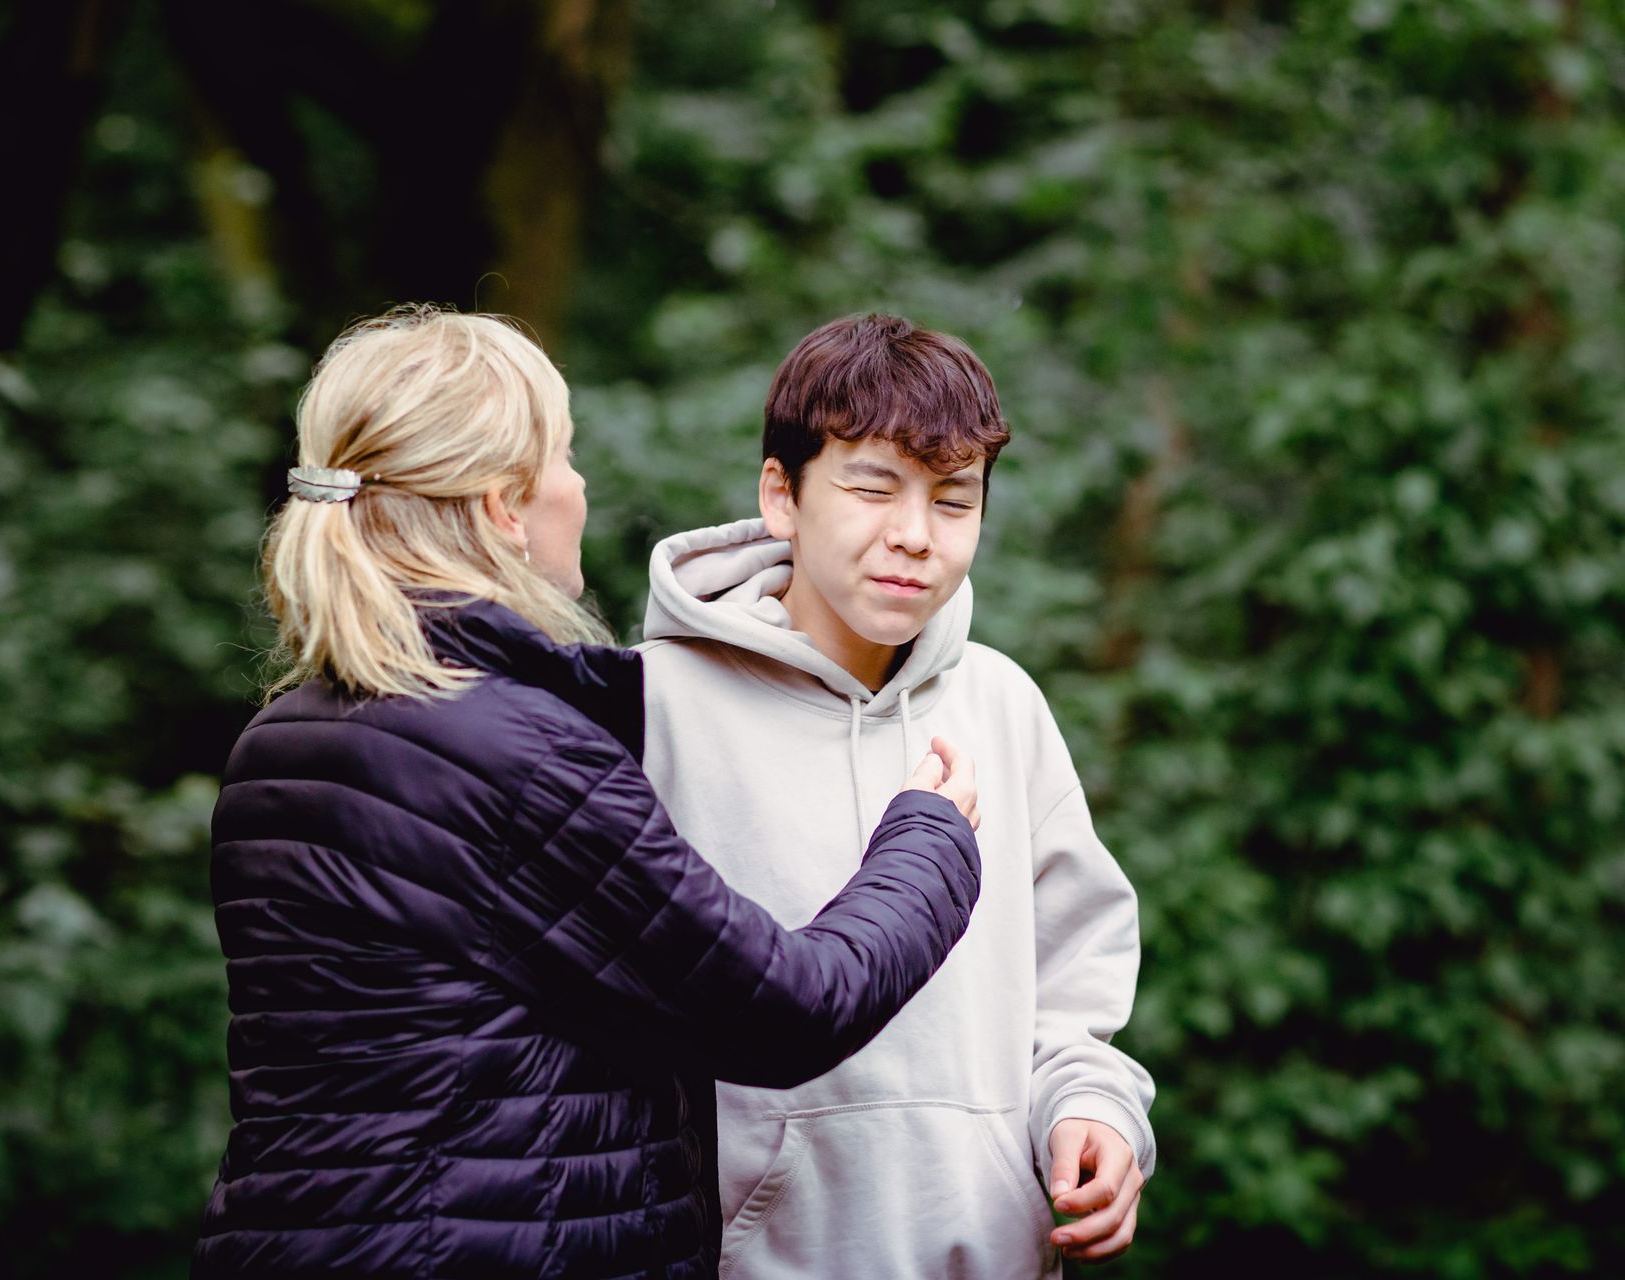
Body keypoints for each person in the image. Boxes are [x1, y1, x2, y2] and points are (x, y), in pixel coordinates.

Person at [191, 306, 986, 1280]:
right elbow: (781, 1009)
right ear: (503, 508)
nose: (581, 485)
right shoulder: (510, 755)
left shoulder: (285, 737)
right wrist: (929, 841)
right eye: (563, 458)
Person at [638, 313, 1156, 1278]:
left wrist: (1094, 1108)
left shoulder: (1001, 702)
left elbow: (1074, 986)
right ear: (781, 495)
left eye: (954, 501)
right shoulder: (651, 709)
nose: (914, 536)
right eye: (872, 489)